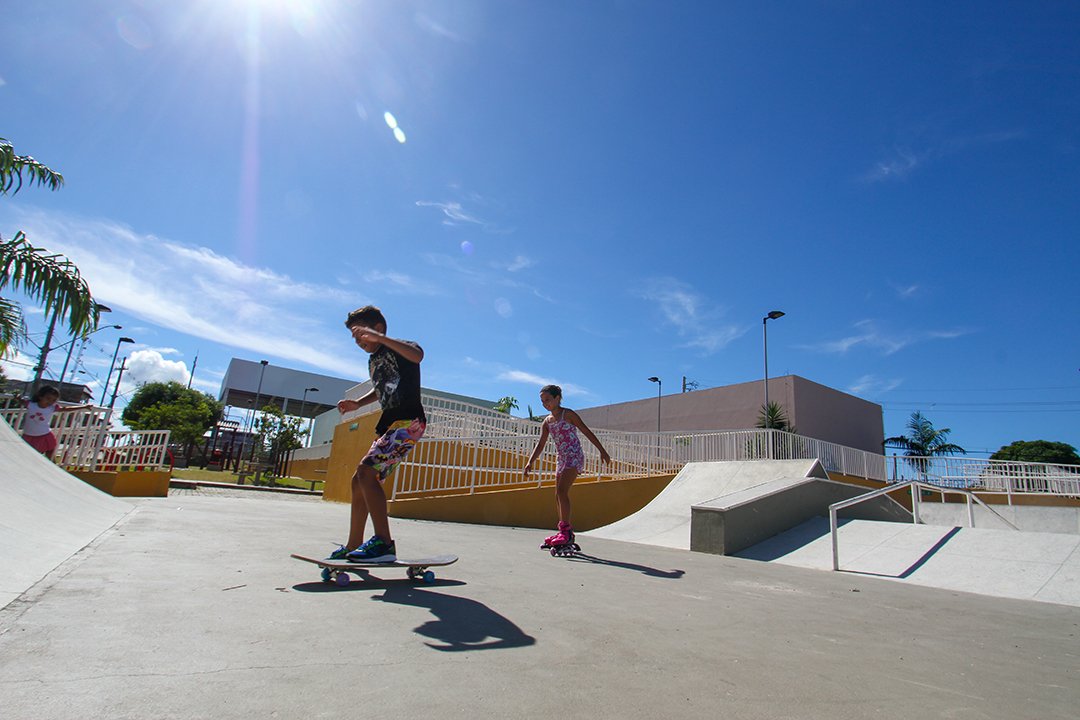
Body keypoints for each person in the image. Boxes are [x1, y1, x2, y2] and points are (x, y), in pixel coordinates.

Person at [331, 305, 426, 563]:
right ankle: (353, 543)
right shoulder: (373, 360)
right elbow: (381, 386)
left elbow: (418, 356)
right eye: (353, 337)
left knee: (366, 472)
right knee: (358, 480)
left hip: (409, 421)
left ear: (378, 329)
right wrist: (358, 404)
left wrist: (382, 340)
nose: (357, 341)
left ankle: (384, 543)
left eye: (359, 334)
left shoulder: (400, 346)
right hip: (391, 424)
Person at [523, 384, 611, 547]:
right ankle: (562, 529)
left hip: (574, 456)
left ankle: (566, 532)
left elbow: (586, 431)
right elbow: (541, 444)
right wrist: (530, 461)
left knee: (563, 491)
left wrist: (602, 451)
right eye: (542, 401)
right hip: (561, 459)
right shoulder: (547, 422)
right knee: (557, 494)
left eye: (548, 400)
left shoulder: (568, 414)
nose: (545, 403)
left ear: (557, 398)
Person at [22, 385, 92, 459]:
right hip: (29, 435)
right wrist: (17, 398)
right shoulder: (31, 405)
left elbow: (66, 409)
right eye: (48, 398)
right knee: (29, 453)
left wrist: (84, 407)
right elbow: (21, 401)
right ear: (40, 396)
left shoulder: (51, 408)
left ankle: (52, 464)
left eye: (53, 400)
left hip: (44, 434)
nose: (50, 402)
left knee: (50, 451)